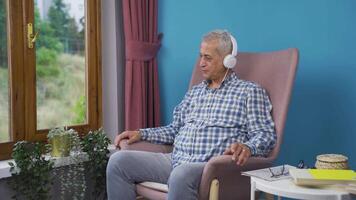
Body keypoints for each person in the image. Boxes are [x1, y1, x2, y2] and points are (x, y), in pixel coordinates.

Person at [106, 30, 277, 200]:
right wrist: (142, 133)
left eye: (208, 58)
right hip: (176, 160)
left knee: (181, 174)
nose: (201, 63)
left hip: (211, 168)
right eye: (201, 56)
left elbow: (265, 135)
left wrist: (248, 147)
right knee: (118, 162)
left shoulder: (249, 92)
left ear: (228, 60)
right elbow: (174, 130)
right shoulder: (195, 93)